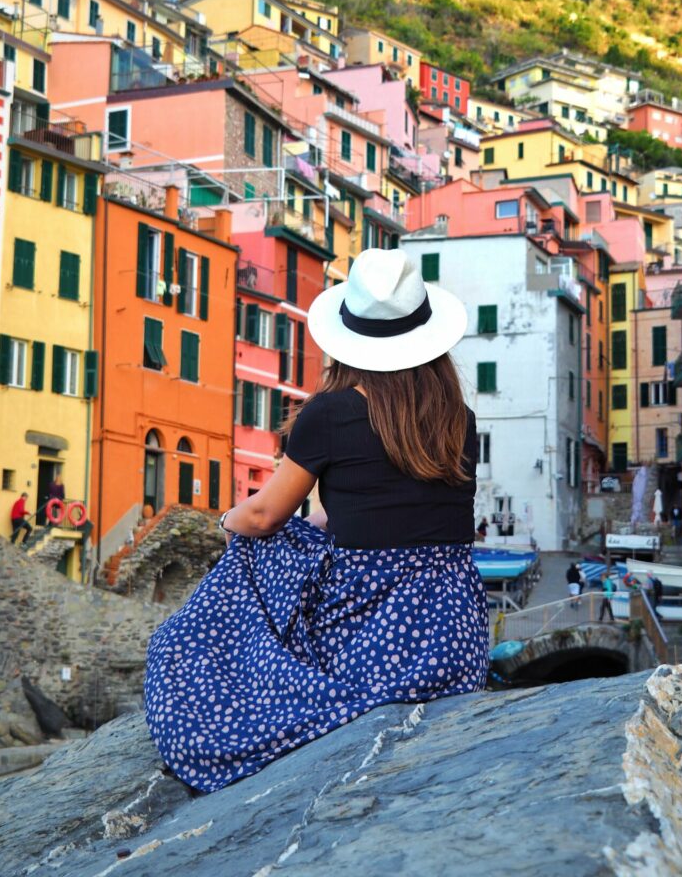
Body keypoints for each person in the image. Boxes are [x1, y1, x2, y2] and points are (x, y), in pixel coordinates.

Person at [145, 248, 489, 793]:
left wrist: (224, 521)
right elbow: (388, 508)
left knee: (252, 547)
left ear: (348, 341)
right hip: (455, 637)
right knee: (304, 533)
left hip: (371, 638)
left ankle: (235, 681)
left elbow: (263, 515)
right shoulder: (460, 419)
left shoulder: (328, 413)